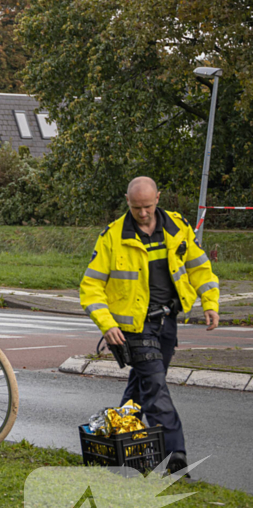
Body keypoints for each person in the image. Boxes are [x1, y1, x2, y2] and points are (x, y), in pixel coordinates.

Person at [80, 176, 219, 475]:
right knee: (155, 388)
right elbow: (90, 287)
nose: (142, 213)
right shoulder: (112, 236)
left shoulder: (177, 226)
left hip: (167, 321)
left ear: (158, 197)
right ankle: (176, 456)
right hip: (134, 328)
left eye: (147, 206)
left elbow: (199, 266)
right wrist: (106, 324)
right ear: (127, 203)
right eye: (135, 207)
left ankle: (112, 440)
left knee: (140, 389)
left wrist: (210, 302)